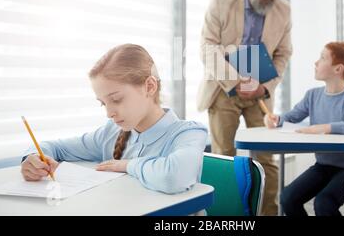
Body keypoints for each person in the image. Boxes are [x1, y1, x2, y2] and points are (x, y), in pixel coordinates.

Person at [21, 44, 208, 194]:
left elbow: (174, 177)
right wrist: (34, 158)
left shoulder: (188, 133)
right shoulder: (110, 132)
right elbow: (56, 147)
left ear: (149, 86)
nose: (109, 113)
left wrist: (127, 165)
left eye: (116, 99)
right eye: (103, 103)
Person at [197, 0, 292, 215]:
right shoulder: (220, 2)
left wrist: (263, 87)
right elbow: (207, 47)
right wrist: (236, 81)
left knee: (266, 159)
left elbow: (283, 54)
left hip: (260, 93)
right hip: (224, 90)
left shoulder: (284, 11)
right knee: (223, 158)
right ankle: (222, 215)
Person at [264, 41, 344, 216]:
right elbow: (290, 117)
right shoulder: (313, 96)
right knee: (287, 197)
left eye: (322, 58)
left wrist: (328, 127)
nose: (316, 62)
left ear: (338, 69)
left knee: (323, 203)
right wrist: (276, 119)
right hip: (323, 166)